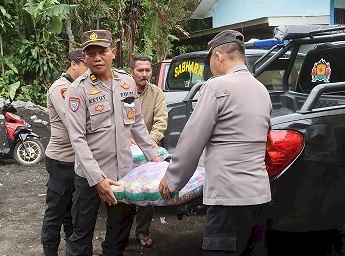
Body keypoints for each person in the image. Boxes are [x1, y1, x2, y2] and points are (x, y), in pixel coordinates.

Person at [158, 30, 272, 255]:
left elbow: (192, 140)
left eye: (209, 60)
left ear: (219, 56)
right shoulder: (262, 90)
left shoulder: (216, 87)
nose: (210, 67)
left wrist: (172, 180)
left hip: (227, 199)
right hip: (259, 197)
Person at [65, 30, 163, 256]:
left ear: (113, 53)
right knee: (81, 235)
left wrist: (155, 157)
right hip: (90, 178)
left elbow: (137, 124)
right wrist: (98, 179)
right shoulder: (77, 90)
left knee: (118, 235)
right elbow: (77, 139)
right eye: (91, 54)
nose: (97, 58)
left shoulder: (127, 83)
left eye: (102, 52)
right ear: (85, 57)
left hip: (123, 175)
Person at [41, 48, 88, 256]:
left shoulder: (79, 87)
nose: (89, 71)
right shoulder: (61, 88)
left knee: (73, 210)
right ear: (74, 64)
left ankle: (73, 249)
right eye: (86, 65)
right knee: (56, 210)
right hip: (61, 160)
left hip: (76, 160)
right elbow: (74, 123)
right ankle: (50, 250)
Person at [129, 55, 168, 247]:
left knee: (145, 192)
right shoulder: (122, 91)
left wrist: (149, 143)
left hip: (147, 150)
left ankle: (142, 232)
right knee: (124, 192)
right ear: (132, 72)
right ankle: (119, 235)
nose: (145, 74)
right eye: (140, 70)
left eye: (148, 70)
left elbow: (161, 121)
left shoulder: (156, 93)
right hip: (124, 150)